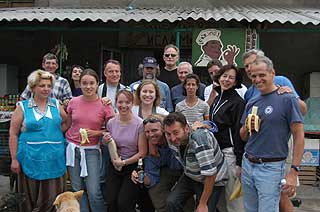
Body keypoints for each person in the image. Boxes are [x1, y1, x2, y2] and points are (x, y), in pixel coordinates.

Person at [242, 49, 307, 212]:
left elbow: (299, 135)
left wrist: (294, 171)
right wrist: (246, 128)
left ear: (273, 73)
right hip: (248, 164)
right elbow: (243, 136)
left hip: (270, 168)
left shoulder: (287, 98)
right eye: (253, 76)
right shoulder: (252, 100)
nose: (257, 79)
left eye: (262, 75)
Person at [9, 69, 67, 212]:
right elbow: (13, 134)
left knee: (52, 197)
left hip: (54, 158)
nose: (46, 89)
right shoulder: (22, 107)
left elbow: (67, 122)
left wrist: (53, 135)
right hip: (30, 158)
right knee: (30, 197)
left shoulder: (56, 104)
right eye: (42, 85)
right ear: (33, 87)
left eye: (48, 86)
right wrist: (14, 159)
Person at [65, 69, 114, 212]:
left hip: (92, 150)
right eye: (84, 83)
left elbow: (111, 130)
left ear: (97, 84)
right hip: (72, 148)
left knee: (93, 190)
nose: (88, 87)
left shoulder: (105, 105)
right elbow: (67, 124)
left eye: (92, 83)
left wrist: (95, 132)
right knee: (77, 189)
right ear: (80, 84)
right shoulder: (73, 102)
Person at [163, 112, 228, 212]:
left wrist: (203, 204)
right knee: (171, 202)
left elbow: (211, 174)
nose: (172, 138)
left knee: (203, 209)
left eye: (176, 133)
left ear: (186, 129)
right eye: (168, 134)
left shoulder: (199, 139)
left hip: (212, 180)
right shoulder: (171, 137)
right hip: (191, 174)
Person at [131, 114, 193, 212]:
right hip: (170, 171)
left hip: (188, 171)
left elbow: (187, 127)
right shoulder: (152, 149)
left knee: (183, 194)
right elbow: (152, 179)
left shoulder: (174, 137)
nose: (151, 134)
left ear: (164, 129)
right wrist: (141, 177)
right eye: (147, 132)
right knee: (155, 189)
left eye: (154, 130)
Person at [103, 90, 147, 212]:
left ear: (132, 103)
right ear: (116, 103)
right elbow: (109, 143)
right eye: (120, 102)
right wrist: (105, 140)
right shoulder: (111, 123)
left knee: (124, 203)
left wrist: (124, 163)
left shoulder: (139, 124)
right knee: (111, 201)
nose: (123, 105)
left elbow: (142, 152)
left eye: (127, 102)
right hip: (115, 164)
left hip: (131, 166)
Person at [209, 65, 245, 212]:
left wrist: (239, 161)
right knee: (220, 199)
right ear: (219, 77)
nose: (227, 80)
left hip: (230, 153)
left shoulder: (237, 102)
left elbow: (238, 133)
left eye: (231, 77)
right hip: (217, 153)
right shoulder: (217, 98)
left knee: (233, 198)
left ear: (236, 82)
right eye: (224, 76)